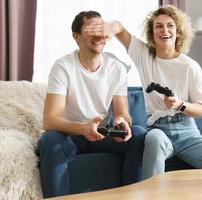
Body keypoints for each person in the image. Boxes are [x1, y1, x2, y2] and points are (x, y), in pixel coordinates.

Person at [85, 5, 202, 179]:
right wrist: (109, 28)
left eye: (170, 25)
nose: (164, 30)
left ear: (178, 31)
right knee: (155, 140)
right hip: (157, 129)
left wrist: (180, 105)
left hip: (187, 134)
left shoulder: (190, 66)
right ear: (152, 32)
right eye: (158, 26)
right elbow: (120, 29)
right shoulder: (144, 55)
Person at [38, 11, 145, 198]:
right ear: (76, 37)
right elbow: (50, 120)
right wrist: (83, 128)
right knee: (49, 140)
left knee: (137, 135)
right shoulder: (63, 67)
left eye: (101, 29)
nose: (99, 35)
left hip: (102, 133)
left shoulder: (116, 68)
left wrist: (122, 121)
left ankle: (131, 196)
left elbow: (123, 113)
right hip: (70, 135)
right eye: (91, 29)